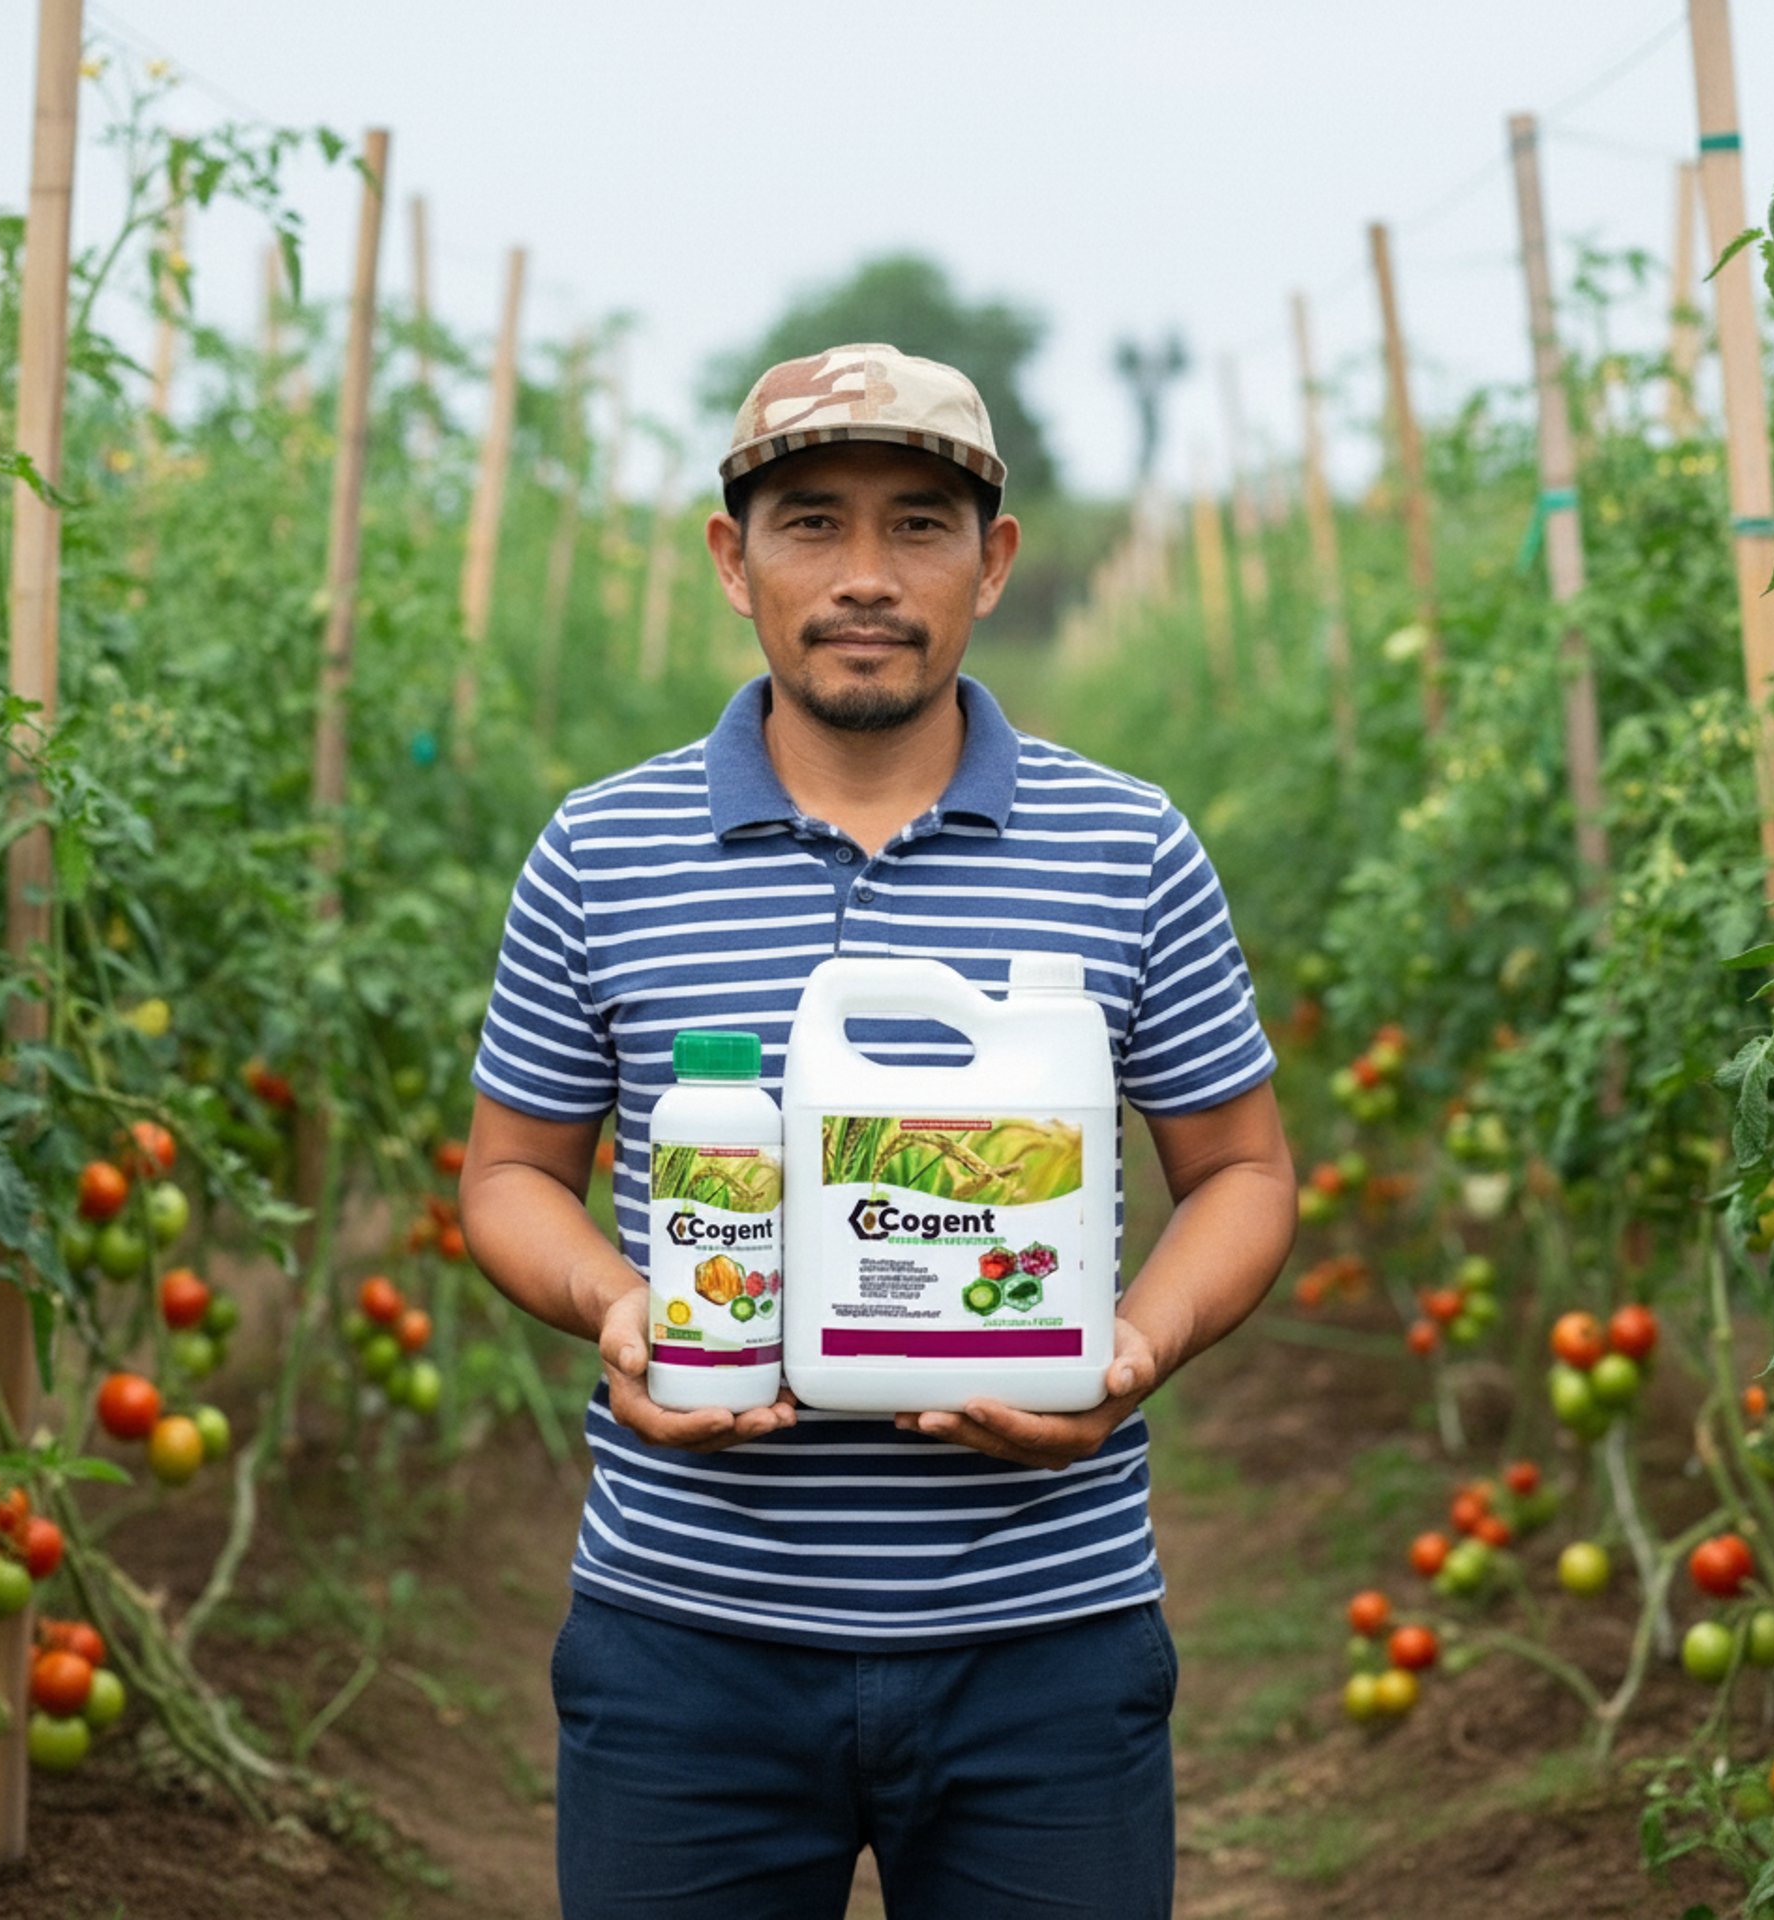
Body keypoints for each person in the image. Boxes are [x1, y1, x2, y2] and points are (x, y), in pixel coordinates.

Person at [459, 342, 1297, 1919]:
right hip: (683, 1642)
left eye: (919, 524)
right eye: (810, 522)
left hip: (1045, 1641)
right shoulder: (603, 847)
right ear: (733, 558)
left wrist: (1133, 1349)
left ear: (993, 562)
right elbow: (511, 1175)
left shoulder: (1128, 844)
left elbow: (1242, 1171)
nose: (863, 576)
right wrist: (618, 1305)